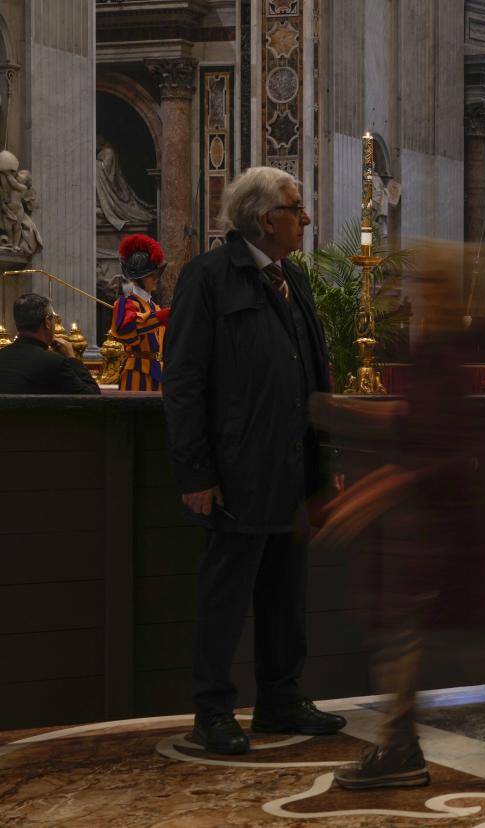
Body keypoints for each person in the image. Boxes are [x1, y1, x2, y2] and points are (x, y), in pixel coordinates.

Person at [162, 166, 342, 755]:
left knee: (285, 595)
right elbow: (184, 383)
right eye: (297, 208)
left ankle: (280, 700)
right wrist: (195, 473)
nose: (306, 219)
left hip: (292, 470)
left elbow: (314, 373)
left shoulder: (296, 280)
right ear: (268, 219)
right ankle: (212, 711)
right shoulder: (208, 278)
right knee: (225, 596)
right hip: (237, 472)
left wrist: (325, 463)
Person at [0, 293, 100, 394]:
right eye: (53, 318)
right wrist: (72, 359)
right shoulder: (54, 363)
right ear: (47, 321)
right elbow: (93, 398)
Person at [109, 234, 171, 391]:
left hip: (159, 372)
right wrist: (164, 316)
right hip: (136, 372)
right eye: (152, 275)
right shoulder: (124, 304)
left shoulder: (155, 307)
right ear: (140, 278)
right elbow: (126, 329)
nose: (157, 278)